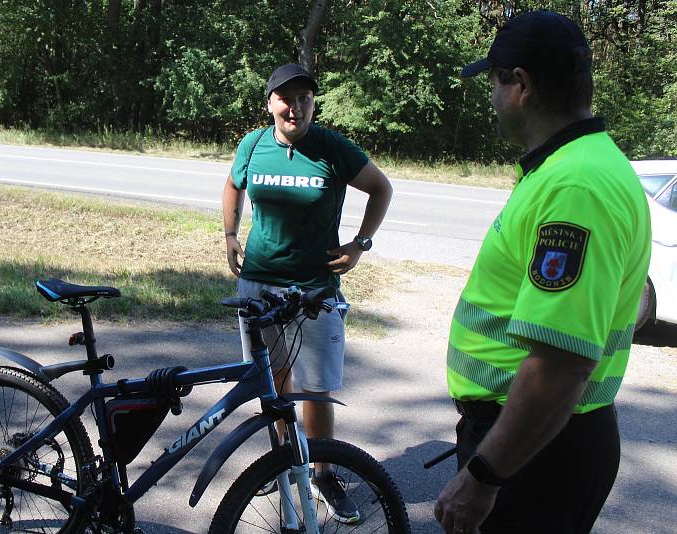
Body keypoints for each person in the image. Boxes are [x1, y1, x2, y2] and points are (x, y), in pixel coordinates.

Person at [434, 10, 651, 534]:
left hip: (536, 454)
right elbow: (630, 297)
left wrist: (484, 475)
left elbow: (559, 365)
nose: (490, 100)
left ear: (521, 85)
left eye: (493, 83)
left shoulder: (576, 186)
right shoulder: (577, 166)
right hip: (539, 442)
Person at [221, 63, 393, 524]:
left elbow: (380, 188)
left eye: (304, 98)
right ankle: (284, 467)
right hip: (258, 282)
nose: (295, 107)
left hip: (313, 290)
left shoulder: (332, 148)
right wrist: (230, 235)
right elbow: (234, 185)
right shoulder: (253, 144)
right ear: (270, 102)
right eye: (286, 97)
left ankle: (322, 471)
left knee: (315, 389)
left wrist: (360, 244)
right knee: (274, 382)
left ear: (313, 103)